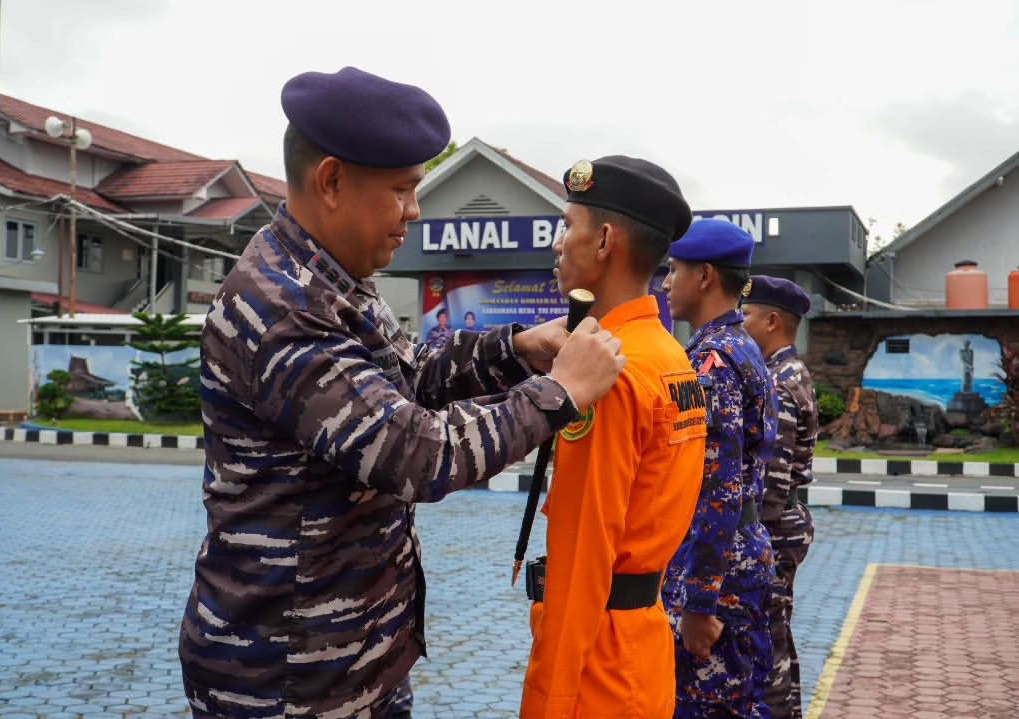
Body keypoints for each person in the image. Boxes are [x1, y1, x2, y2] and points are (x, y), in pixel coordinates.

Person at [177, 66, 627, 719]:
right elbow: (415, 452)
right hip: (286, 677)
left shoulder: (332, 280)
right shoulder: (280, 306)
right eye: (400, 190)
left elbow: (408, 376)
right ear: (331, 181)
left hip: (356, 658)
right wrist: (560, 392)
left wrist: (517, 349)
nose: (414, 211)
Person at [520, 156, 707, 719]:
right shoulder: (668, 356)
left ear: (604, 241)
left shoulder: (608, 375)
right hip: (640, 652)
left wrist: (549, 705)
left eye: (568, 226)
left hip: (594, 671)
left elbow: (582, 563)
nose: (558, 244)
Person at [660, 219, 778, 719]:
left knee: (707, 705)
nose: (666, 283)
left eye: (674, 270)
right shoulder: (739, 346)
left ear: (705, 276)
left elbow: (717, 488)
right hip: (736, 554)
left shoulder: (713, 363)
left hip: (719, 568)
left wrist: (699, 604)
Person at [741, 275, 818, 719]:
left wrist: (751, 540)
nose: (740, 323)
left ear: (772, 321)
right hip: (785, 522)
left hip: (773, 528)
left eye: (747, 315)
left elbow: (770, 480)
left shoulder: (779, 381)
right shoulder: (786, 372)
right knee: (776, 635)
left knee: (766, 643)